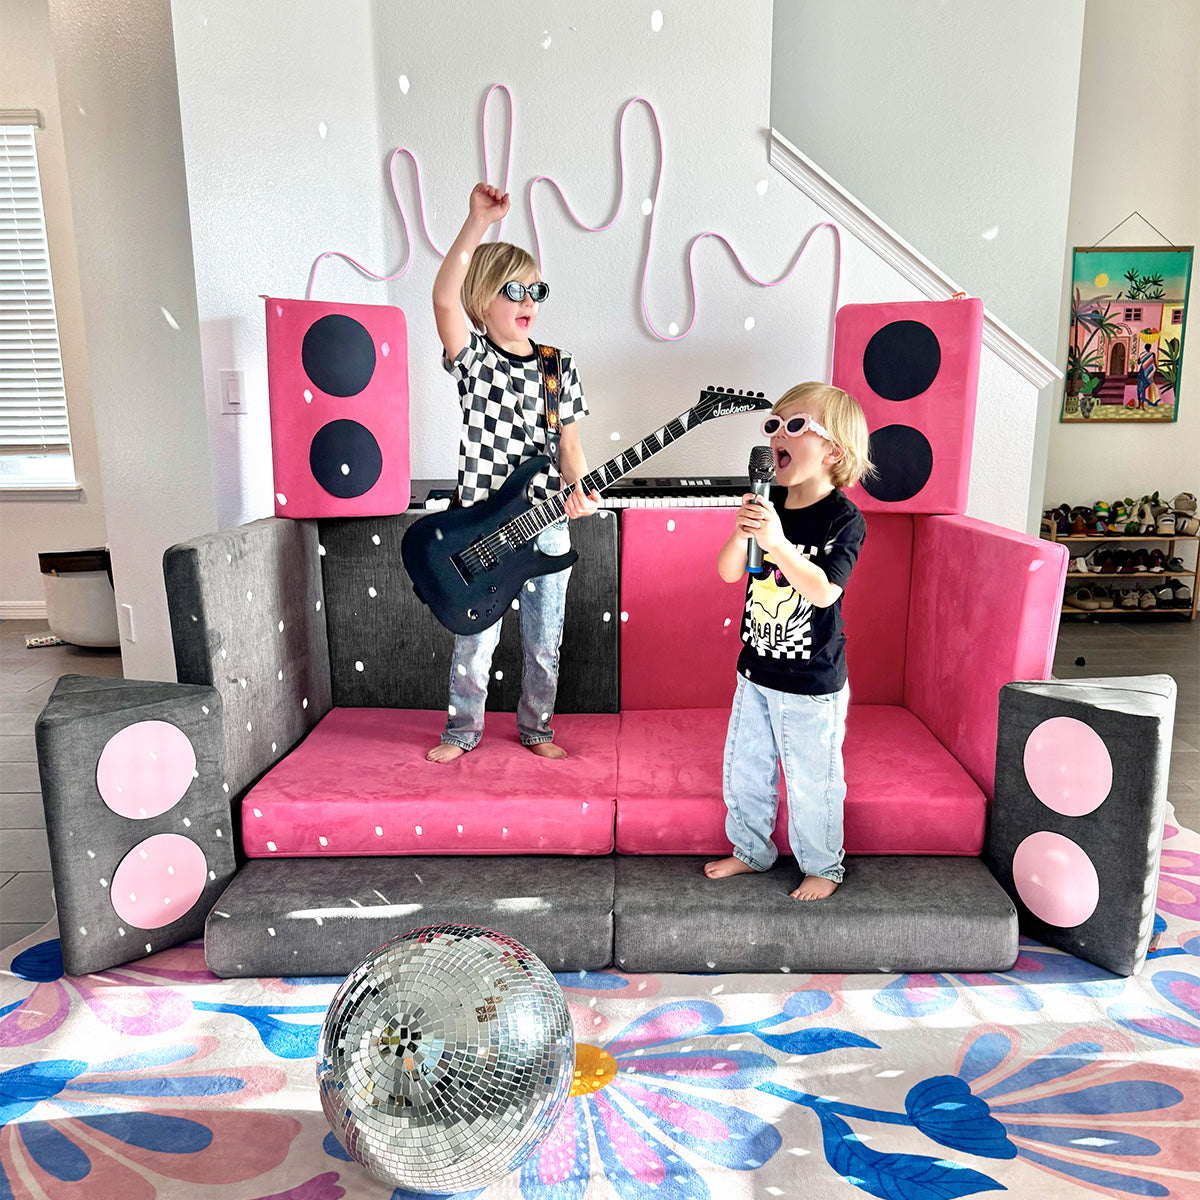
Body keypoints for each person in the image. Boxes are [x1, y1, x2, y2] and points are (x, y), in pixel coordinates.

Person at [427, 182, 599, 763]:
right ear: (484, 299)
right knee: (475, 641)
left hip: (547, 522)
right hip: (479, 521)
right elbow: (443, 301)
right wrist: (476, 222)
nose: (529, 299)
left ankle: (536, 727)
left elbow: (570, 448)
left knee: (544, 640)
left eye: (536, 289)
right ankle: (461, 731)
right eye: (513, 289)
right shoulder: (473, 359)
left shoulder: (559, 367)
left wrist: (582, 492)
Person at [704, 382, 874, 899]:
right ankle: (751, 851)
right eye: (773, 425)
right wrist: (742, 533)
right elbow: (729, 572)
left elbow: (824, 592)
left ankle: (823, 865)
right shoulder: (767, 500)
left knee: (812, 780)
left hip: (812, 681)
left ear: (833, 452)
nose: (779, 433)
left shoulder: (843, 520)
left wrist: (777, 543)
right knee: (746, 769)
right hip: (756, 669)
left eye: (795, 425)